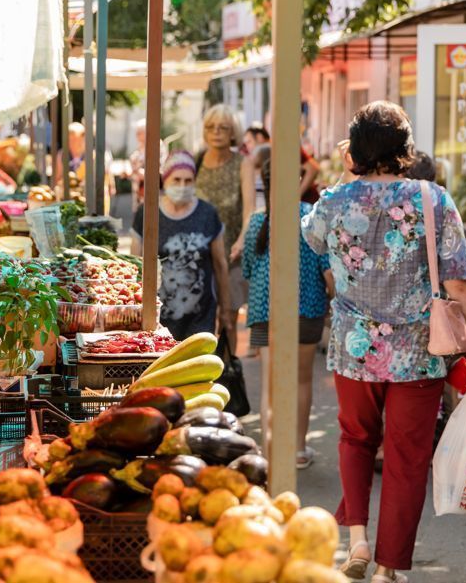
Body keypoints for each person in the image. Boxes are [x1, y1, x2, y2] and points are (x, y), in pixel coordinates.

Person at [302, 101, 466, 583]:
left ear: (356, 149)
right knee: (407, 459)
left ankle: (358, 541)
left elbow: (313, 241)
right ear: (406, 149)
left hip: (353, 346)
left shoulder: (335, 201)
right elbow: (461, 285)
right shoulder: (433, 200)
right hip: (419, 352)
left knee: (354, 439)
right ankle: (388, 568)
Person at [243, 156, 330, 469]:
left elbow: (248, 269)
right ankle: (298, 449)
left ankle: (269, 451)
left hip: (265, 311)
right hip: (306, 308)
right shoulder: (311, 216)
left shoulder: (255, 221)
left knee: (270, 384)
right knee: (301, 381)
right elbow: (326, 266)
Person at [132, 152, 230, 340]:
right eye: (176, 180)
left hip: (201, 316)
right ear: (165, 179)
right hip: (158, 316)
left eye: (188, 181)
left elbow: (220, 264)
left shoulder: (207, 213)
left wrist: (225, 309)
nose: (182, 186)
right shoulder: (147, 212)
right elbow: (136, 264)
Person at [194, 105, 248, 353]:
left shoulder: (242, 164)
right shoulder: (196, 161)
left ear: (233, 132)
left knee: (228, 317)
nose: (216, 132)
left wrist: (241, 240)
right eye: (210, 127)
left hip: (231, 253)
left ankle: (228, 369)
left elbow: (250, 209)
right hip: (199, 255)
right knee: (201, 319)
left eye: (223, 128)